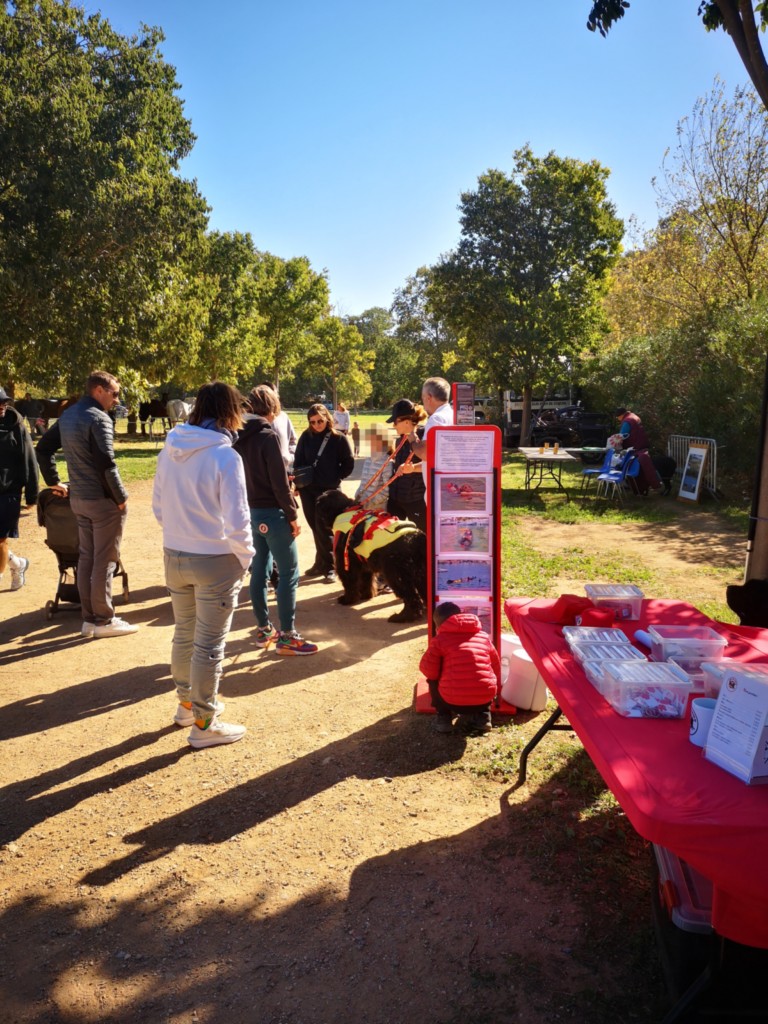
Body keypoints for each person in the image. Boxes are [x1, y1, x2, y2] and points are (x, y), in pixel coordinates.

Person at [152, 381, 255, 748]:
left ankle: (187, 706)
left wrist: (182, 535)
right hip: (215, 560)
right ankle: (203, 723)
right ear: (229, 410)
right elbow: (238, 518)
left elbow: (159, 506)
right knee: (209, 645)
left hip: (175, 554)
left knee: (185, 633)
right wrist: (245, 557)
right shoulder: (225, 456)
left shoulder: (171, 448)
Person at [37, 371, 137, 638]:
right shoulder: (98, 418)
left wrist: (54, 482)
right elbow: (106, 463)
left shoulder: (68, 415)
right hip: (101, 502)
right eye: (114, 394)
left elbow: (43, 448)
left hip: (79, 500)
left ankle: (90, 620)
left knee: (87, 559)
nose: (117, 400)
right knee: (105, 560)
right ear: (99, 390)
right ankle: (104, 620)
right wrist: (121, 498)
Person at [234, 385, 318, 656]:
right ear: (272, 408)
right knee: (289, 573)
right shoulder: (267, 436)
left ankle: (264, 628)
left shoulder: (234, 435)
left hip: (250, 512)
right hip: (273, 511)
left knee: (258, 571)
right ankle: (288, 634)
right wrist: (293, 513)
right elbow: (279, 483)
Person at [293, 403, 354, 583]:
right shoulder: (306, 436)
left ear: (327, 418)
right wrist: (298, 483)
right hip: (308, 490)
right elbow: (298, 461)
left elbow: (348, 463)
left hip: (329, 492)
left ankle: (331, 567)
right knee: (314, 526)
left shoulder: (338, 439)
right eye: (312, 422)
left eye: (320, 420)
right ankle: (321, 562)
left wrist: (335, 478)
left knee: (326, 529)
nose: (317, 425)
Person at [419, 601, 501, 735]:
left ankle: (444, 718)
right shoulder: (483, 637)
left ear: (438, 625)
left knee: (432, 680)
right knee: (484, 675)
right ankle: (484, 717)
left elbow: (428, 671)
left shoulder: (439, 640)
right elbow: (496, 666)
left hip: (452, 702)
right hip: (484, 699)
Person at [0, 387, 38, 591]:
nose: (2, 406)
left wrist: (32, 493)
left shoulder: (15, 425)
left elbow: (29, 458)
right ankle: (18, 564)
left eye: (4, 402)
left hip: (8, 492)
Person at [386, 398, 427, 532]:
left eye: (395, 422)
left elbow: (431, 462)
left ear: (407, 422)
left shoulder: (423, 438)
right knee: (391, 536)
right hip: (396, 499)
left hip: (416, 501)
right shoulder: (400, 440)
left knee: (423, 537)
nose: (394, 426)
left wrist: (413, 469)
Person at [406, 377, 453, 487]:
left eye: (423, 398)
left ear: (429, 398)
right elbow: (438, 458)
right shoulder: (453, 415)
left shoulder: (436, 419)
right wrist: (413, 468)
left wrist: (413, 441)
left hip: (438, 492)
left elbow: (427, 454)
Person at [614, 407, 661, 495]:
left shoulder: (627, 421)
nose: (618, 419)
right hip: (642, 447)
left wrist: (615, 445)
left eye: (618, 417)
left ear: (620, 416)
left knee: (622, 464)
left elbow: (621, 436)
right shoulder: (634, 416)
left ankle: (633, 487)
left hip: (634, 448)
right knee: (645, 469)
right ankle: (649, 486)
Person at [354, 424, 393, 511]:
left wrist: (370, 502)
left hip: (377, 508)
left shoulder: (387, 462)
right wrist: (357, 496)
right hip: (362, 506)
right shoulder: (368, 459)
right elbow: (363, 483)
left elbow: (386, 491)